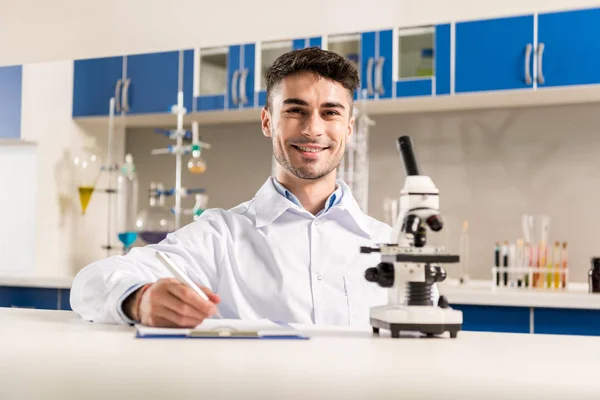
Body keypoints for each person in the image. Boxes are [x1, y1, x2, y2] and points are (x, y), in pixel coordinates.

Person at [70, 47, 416, 328]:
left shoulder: (387, 242)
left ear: (349, 127)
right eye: (296, 110)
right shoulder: (221, 236)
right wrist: (139, 299)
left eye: (330, 113)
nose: (313, 129)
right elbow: (91, 282)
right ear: (268, 121)